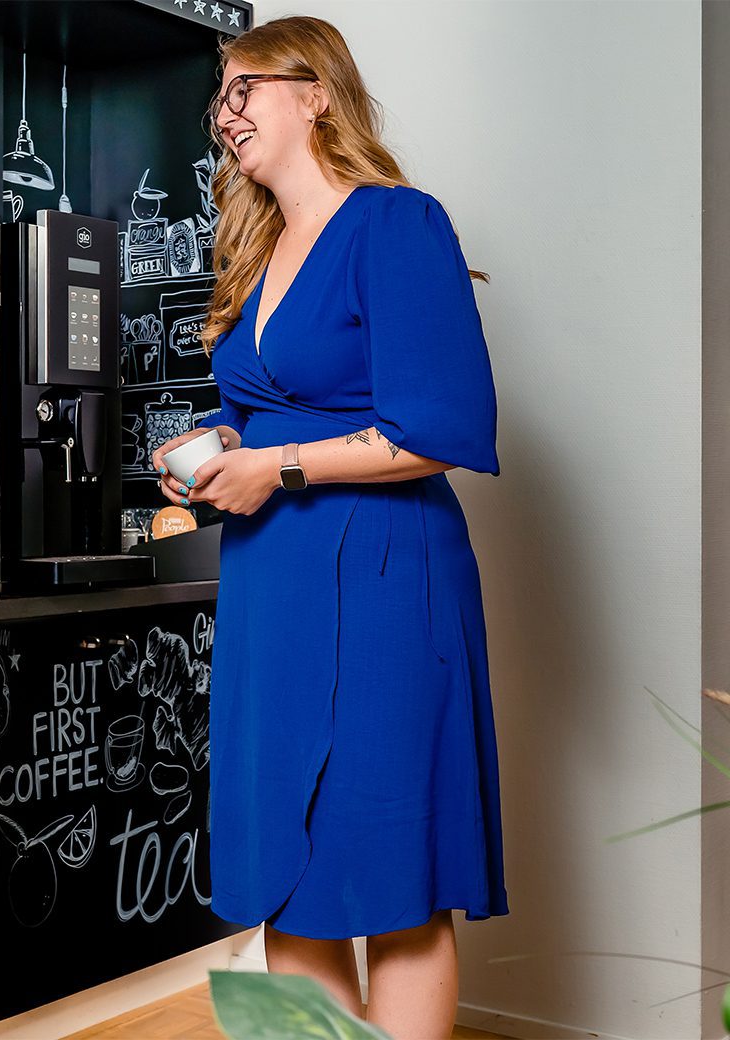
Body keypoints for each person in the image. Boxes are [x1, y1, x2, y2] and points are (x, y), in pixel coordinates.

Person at [151, 16, 509, 1038]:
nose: (225, 116)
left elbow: (436, 429)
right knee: (286, 866)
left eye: (241, 90)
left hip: (384, 578)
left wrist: (277, 462)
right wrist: (223, 440)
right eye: (216, 99)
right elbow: (274, 410)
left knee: (390, 870)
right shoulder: (257, 252)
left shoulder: (396, 223)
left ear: (314, 92)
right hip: (274, 580)